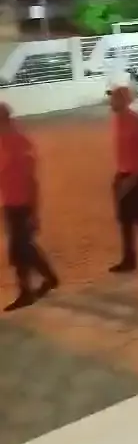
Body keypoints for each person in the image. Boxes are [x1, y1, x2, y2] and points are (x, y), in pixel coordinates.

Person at [0, 103, 58, 311]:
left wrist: (34, 212)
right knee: (25, 247)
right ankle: (50, 278)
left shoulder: (20, 143)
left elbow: (32, 181)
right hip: (9, 202)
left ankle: (26, 291)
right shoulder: (4, 140)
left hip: (23, 204)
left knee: (19, 249)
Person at [107, 86, 138, 273]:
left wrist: (134, 178)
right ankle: (129, 258)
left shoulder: (137, 122)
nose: (111, 102)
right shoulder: (118, 121)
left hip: (137, 177)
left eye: (115, 98)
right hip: (123, 174)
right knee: (127, 219)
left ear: (125, 101)